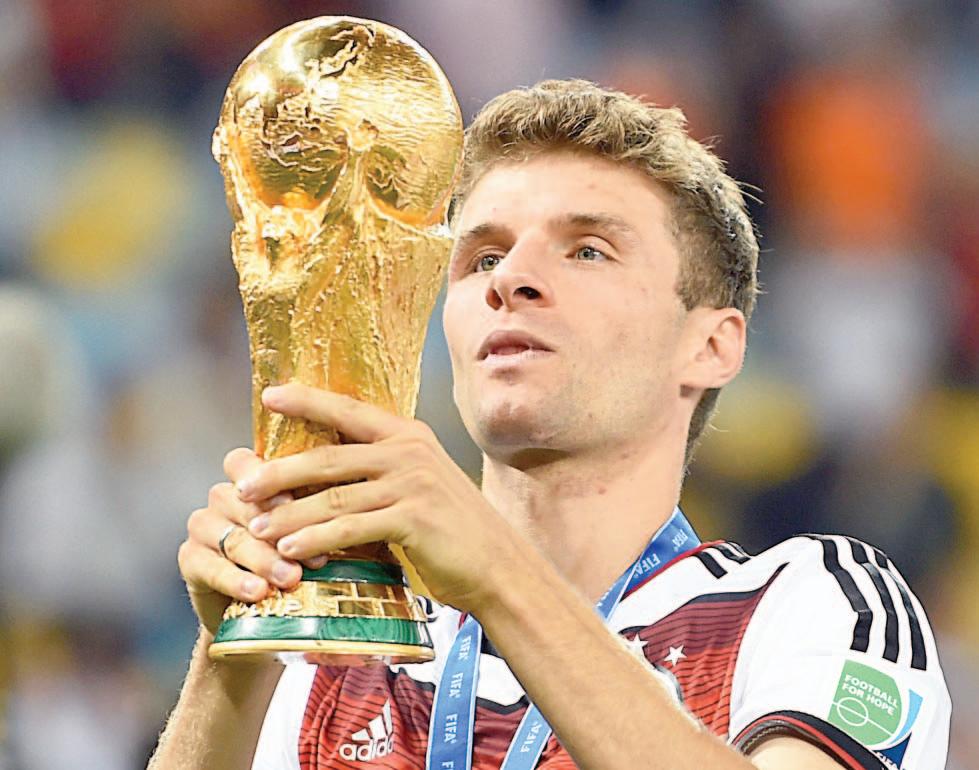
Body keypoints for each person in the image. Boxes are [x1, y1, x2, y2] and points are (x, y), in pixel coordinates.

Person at [149, 79, 950, 770]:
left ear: (709, 346)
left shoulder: (811, 602)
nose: (512, 280)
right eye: (482, 258)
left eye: (587, 250)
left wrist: (497, 575)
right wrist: (231, 661)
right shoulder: (338, 667)